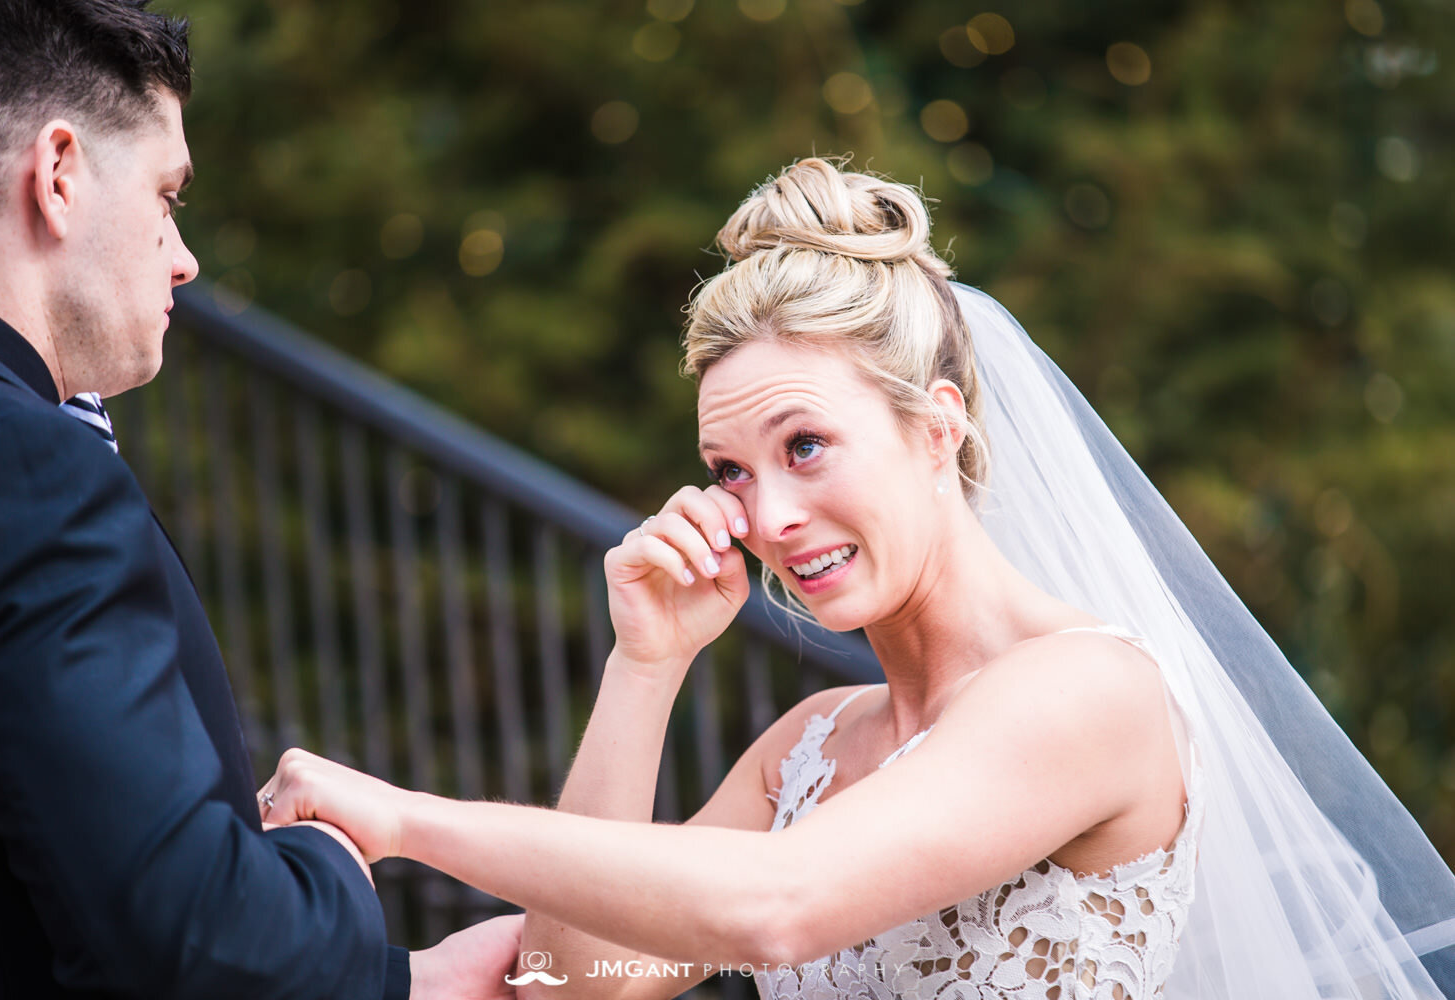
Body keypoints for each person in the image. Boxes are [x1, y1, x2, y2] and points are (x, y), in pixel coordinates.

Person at [260, 158, 1455, 998]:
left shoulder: (1091, 692)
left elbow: (779, 909)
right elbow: (573, 980)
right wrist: (646, 666)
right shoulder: (807, 749)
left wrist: (411, 821)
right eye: (731, 469)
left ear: (938, 427)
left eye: (807, 446)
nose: (769, 517)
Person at [0, 2, 520, 997]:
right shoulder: (21, 464)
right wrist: (335, 856)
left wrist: (413, 982)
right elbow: (195, 940)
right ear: (58, 174)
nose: (184, 258)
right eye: (168, 197)